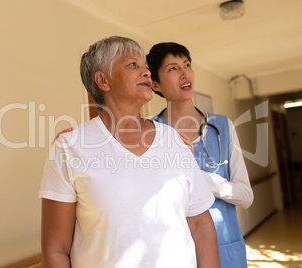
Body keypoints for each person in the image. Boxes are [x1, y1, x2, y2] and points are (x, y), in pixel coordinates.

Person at [39, 36, 220, 268]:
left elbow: (200, 224)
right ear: (103, 80)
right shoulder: (70, 146)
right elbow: (56, 250)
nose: (146, 72)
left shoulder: (174, 140)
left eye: (146, 67)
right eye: (133, 64)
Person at [146, 42, 254, 268]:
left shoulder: (223, 126)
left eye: (187, 64)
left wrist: (199, 177)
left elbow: (245, 196)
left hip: (226, 248)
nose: (184, 73)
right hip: (176, 251)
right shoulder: (150, 132)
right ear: (156, 84)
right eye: (173, 68)